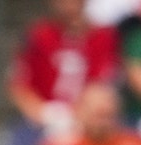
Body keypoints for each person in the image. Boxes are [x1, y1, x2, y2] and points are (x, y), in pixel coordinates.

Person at [7, 0, 121, 134]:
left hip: (88, 123)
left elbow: (104, 87)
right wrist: (44, 114)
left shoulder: (104, 37)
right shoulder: (38, 36)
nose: (68, 6)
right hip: (41, 121)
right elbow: (19, 85)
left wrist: (82, 116)